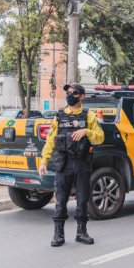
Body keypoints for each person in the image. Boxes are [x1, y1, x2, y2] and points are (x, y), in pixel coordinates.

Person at [39, 83, 105, 247]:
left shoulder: (88, 116)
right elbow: (51, 140)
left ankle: (81, 232)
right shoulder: (59, 116)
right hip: (64, 163)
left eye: (74, 92)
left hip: (82, 162)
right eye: (68, 92)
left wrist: (86, 132)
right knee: (61, 199)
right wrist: (44, 161)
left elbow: (100, 137)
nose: (70, 94)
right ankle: (58, 234)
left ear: (81, 96)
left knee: (82, 199)